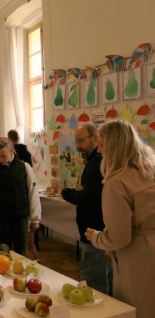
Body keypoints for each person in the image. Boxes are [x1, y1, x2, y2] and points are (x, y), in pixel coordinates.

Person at [85, 120, 155, 318]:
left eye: (101, 145)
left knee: (136, 310)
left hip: (139, 259)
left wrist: (96, 237)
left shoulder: (117, 182)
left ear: (114, 146)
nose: (99, 152)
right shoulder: (149, 171)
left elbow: (119, 237)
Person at [61, 123, 112, 295]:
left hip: (95, 232)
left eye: (81, 141)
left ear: (96, 138)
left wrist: (67, 193)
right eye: (76, 142)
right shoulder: (95, 161)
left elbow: (89, 199)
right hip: (98, 232)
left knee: (93, 285)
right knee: (103, 280)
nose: (77, 147)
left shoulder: (97, 163)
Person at [0, 137, 41, 256]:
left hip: (20, 216)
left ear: (11, 151)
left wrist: (35, 218)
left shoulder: (25, 167)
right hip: (3, 217)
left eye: (3, 156)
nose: (0, 159)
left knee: (21, 253)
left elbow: (33, 193)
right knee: (4, 252)